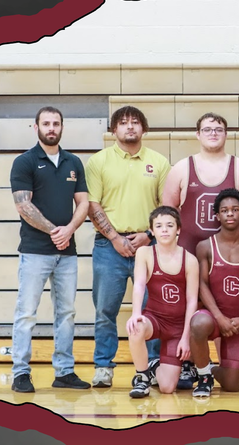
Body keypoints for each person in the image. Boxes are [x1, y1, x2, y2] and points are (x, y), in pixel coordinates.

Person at [85, 105, 170, 388]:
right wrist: (115, 238)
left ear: (143, 129)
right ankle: (103, 367)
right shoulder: (99, 162)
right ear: (114, 130)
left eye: (135, 122)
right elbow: (92, 205)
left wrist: (148, 234)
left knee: (154, 310)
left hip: (149, 245)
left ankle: (154, 365)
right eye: (123, 123)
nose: (129, 127)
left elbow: (167, 206)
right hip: (109, 246)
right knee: (105, 310)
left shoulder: (158, 162)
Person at [10, 106, 90, 393]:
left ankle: (64, 372)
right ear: (36, 128)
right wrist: (54, 231)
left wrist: (68, 230)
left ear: (62, 127)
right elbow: (23, 205)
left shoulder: (73, 162)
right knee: (26, 313)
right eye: (46, 123)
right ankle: (20, 372)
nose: (51, 128)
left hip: (67, 253)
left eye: (56, 123)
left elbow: (83, 203)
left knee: (66, 313)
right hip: (34, 251)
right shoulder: (25, 162)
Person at [189, 189, 239, 397]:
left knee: (232, 385)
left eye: (235, 209)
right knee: (199, 324)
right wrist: (219, 317)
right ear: (217, 216)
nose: (230, 214)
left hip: (238, 321)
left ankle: (210, 369)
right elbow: (201, 284)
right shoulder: (205, 247)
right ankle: (203, 377)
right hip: (213, 317)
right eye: (225, 210)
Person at [162, 112, 239, 254]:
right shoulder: (181, 167)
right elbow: (169, 206)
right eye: (207, 129)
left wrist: (234, 226)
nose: (213, 133)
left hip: (229, 248)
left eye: (219, 130)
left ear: (226, 134)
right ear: (198, 134)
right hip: (189, 246)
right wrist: (186, 227)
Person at [126, 206, 199, 397]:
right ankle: (142, 378)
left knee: (167, 388)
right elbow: (139, 285)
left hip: (177, 326)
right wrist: (136, 314)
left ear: (179, 229)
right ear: (152, 230)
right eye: (159, 226)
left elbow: (192, 301)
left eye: (169, 225)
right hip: (155, 319)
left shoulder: (190, 260)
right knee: (136, 328)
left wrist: (186, 337)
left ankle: (155, 365)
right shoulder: (144, 253)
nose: (164, 230)